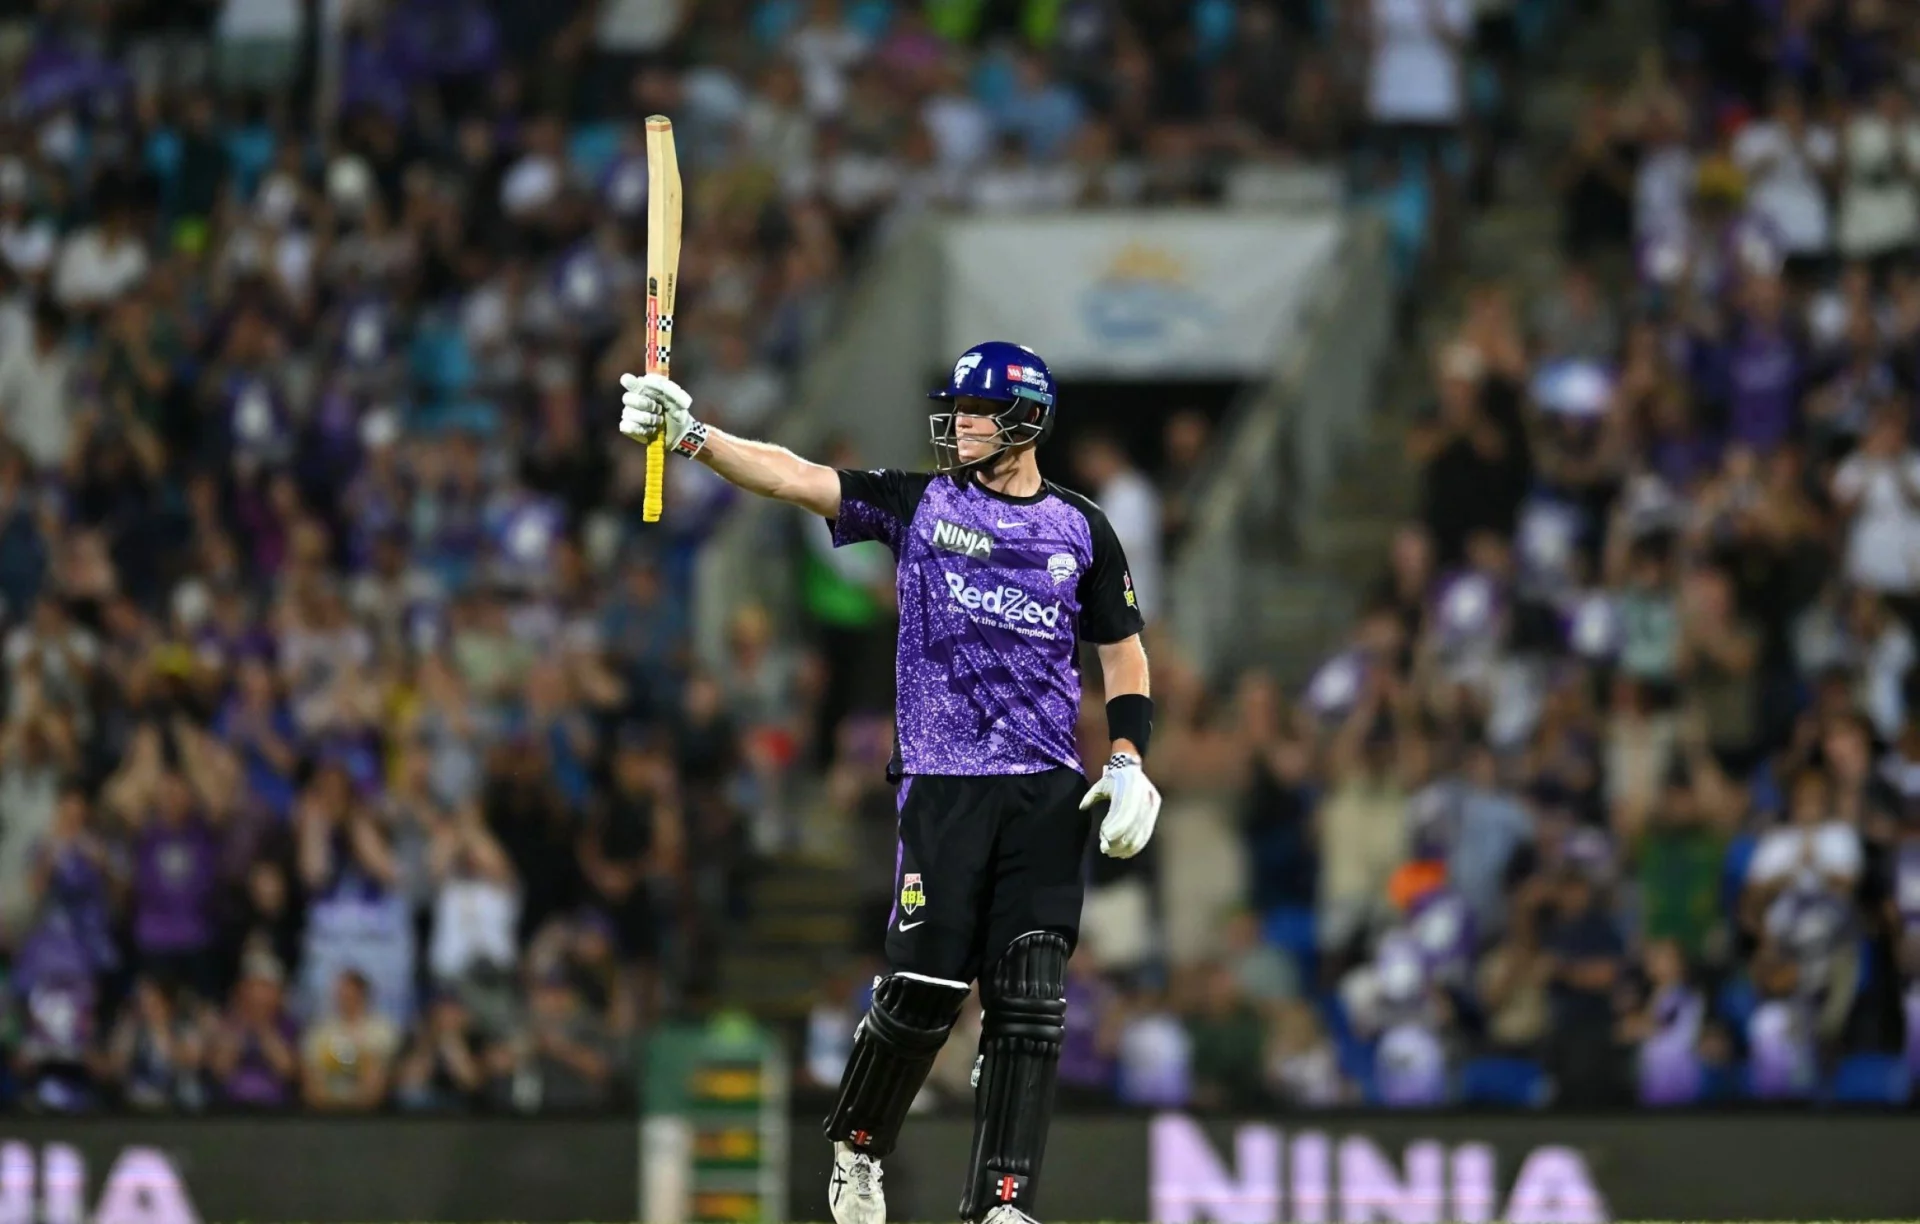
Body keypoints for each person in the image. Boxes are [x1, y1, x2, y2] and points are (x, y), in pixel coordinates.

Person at [618, 340, 1161, 1224]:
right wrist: (693, 437)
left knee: (1031, 999)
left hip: (1046, 787)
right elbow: (796, 477)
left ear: (1026, 422)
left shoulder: (1082, 528)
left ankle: (1002, 1203)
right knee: (924, 995)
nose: (957, 426)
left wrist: (1131, 758)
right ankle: (859, 1148)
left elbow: (1124, 652)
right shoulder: (922, 502)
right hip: (944, 786)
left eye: (976, 413)